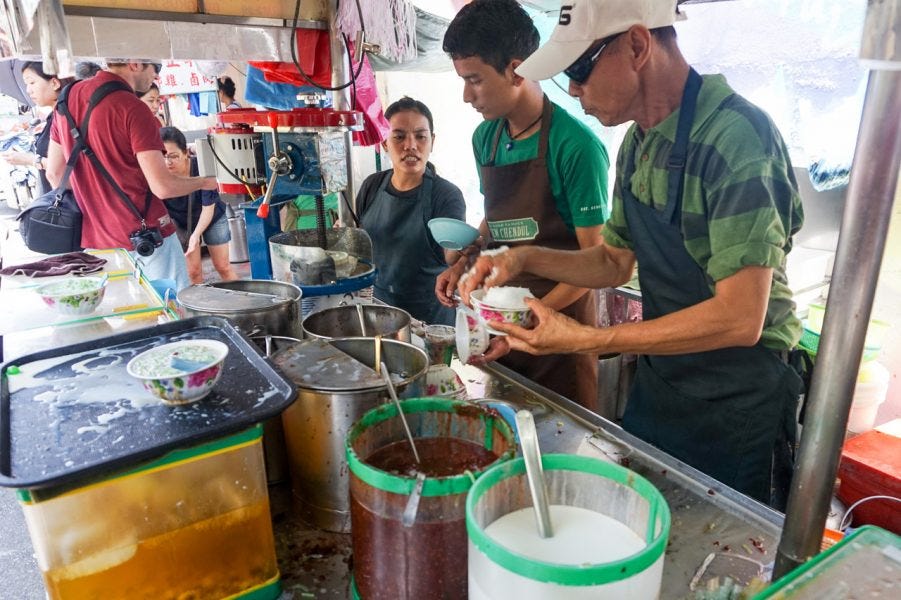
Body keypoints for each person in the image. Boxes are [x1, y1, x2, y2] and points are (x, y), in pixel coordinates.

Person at [460, 0, 805, 508]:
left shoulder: (736, 140)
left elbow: (740, 317)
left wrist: (591, 337)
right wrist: (523, 259)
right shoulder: (639, 144)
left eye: (579, 70)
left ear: (638, 45)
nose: (573, 90)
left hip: (740, 393)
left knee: (726, 558)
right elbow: (613, 261)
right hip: (666, 380)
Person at [440, 0, 610, 410]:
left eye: (475, 80)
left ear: (516, 70)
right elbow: (498, 221)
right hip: (501, 322)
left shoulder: (575, 147)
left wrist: (533, 319)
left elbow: (599, 264)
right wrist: (463, 262)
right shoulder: (487, 139)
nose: (466, 96)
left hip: (560, 330)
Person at [46, 58, 219, 292]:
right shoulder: (134, 108)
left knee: (127, 316)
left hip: (96, 241)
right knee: (172, 316)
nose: (156, 77)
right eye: (155, 68)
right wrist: (207, 182)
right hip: (147, 237)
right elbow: (163, 187)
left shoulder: (67, 99)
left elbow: (55, 174)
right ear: (135, 63)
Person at [357, 97, 465, 326]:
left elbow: (453, 255)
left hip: (429, 322)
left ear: (432, 141)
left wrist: (466, 251)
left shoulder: (445, 195)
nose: (411, 145)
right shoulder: (372, 186)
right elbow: (361, 246)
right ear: (384, 143)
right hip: (378, 312)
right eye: (399, 136)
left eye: (420, 136)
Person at [160, 126, 238, 284]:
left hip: (212, 217)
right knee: (193, 272)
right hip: (182, 223)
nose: (167, 162)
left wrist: (195, 236)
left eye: (173, 156)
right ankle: (200, 307)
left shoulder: (202, 167)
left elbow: (207, 209)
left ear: (186, 152)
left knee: (223, 267)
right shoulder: (159, 176)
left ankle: (245, 302)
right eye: (163, 156)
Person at [0, 62, 73, 195]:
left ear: (55, 83)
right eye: (27, 84)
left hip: (66, 204)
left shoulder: (66, 117)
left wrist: (30, 159)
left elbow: (58, 170)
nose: (28, 90)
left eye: (32, 83)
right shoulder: (56, 116)